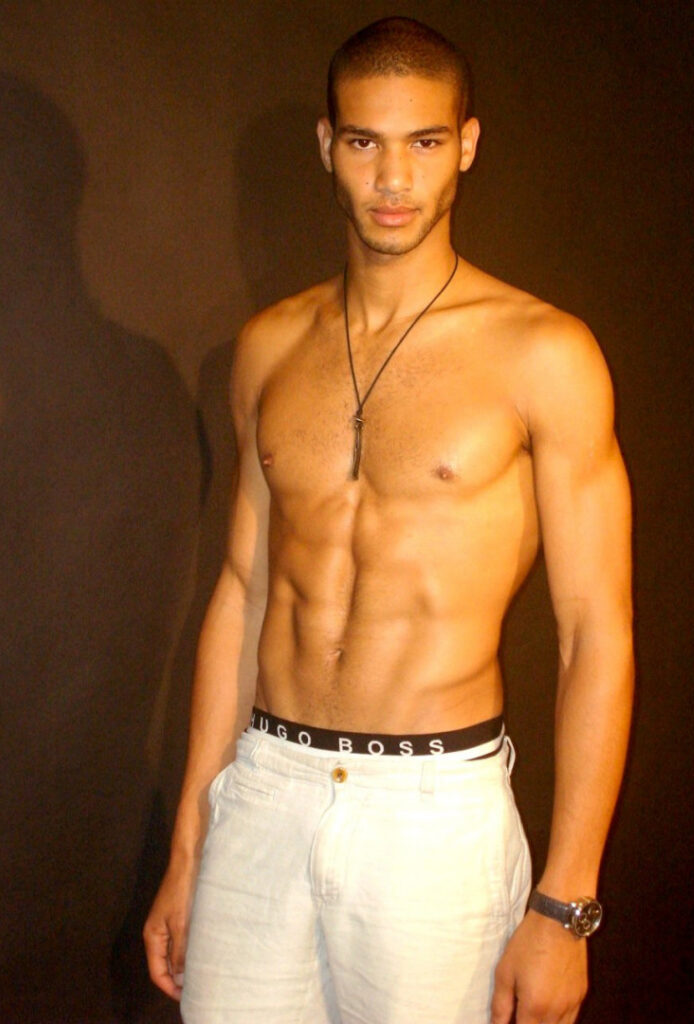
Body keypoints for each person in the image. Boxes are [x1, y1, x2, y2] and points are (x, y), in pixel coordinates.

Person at [144, 16, 633, 1024]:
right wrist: (191, 844)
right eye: (366, 142)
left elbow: (596, 631)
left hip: (433, 819)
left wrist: (567, 903)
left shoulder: (544, 352)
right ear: (329, 146)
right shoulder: (270, 345)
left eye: (424, 141)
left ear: (467, 146)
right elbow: (243, 592)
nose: (394, 178)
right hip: (264, 793)